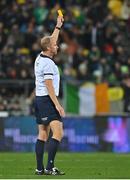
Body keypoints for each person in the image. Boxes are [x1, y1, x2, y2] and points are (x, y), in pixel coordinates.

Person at [34, 14, 65, 176]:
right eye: (55, 45)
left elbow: (50, 39)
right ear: (49, 48)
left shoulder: (41, 57)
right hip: (47, 100)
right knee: (58, 132)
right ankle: (50, 167)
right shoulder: (47, 64)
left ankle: (40, 169)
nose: (57, 46)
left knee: (43, 133)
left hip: (39, 100)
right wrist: (57, 105)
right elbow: (49, 85)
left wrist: (58, 26)